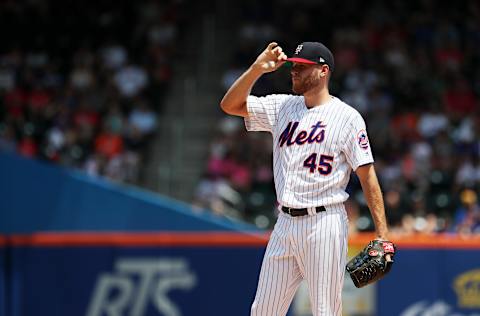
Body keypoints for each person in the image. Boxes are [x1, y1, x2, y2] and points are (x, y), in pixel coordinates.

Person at [220, 41, 391, 316]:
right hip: (285, 222)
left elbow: (367, 177)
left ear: (323, 71)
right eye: (293, 66)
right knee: (263, 311)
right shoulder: (283, 106)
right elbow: (230, 105)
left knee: (325, 311)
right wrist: (256, 70)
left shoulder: (347, 117)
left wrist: (383, 235)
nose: (294, 72)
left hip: (324, 221)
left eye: (302, 67)